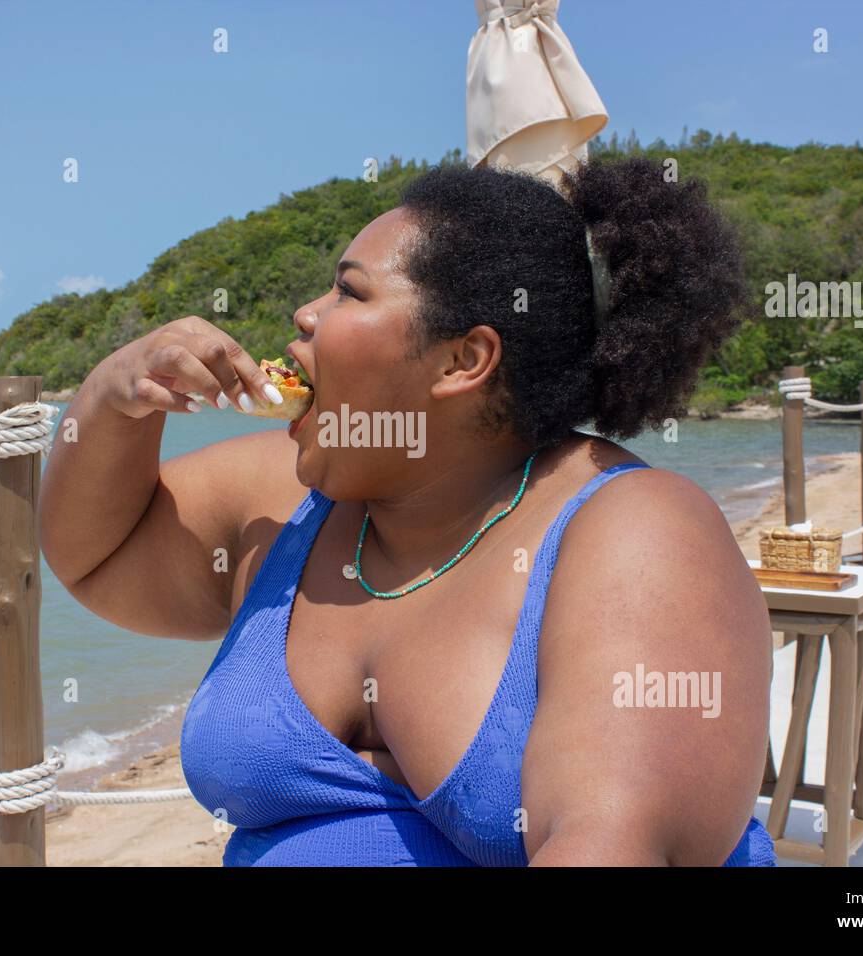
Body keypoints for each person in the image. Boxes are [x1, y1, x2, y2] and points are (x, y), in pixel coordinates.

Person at [39, 155, 776, 866]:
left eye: (349, 294)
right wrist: (115, 395)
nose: (306, 313)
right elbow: (98, 557)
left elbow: (612, 846)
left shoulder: (635, 531)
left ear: (464, 361)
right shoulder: (293, 499)